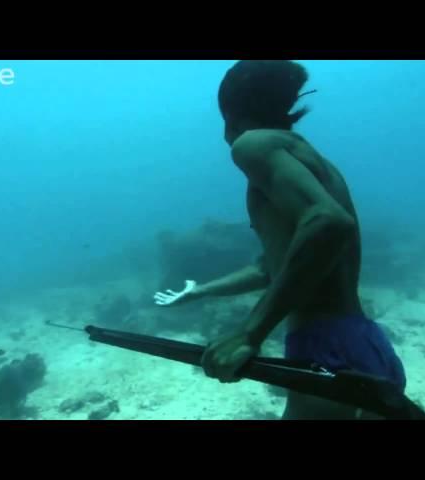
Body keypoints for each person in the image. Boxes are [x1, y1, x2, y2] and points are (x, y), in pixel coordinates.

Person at [154, 60, 406, 419]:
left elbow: (329, 223)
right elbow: (279, 264)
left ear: (230, 115)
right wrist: (202, 290)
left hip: (326, 348)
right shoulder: (307, 157)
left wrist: (248, 334)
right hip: (364, 342)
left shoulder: (252, 145)